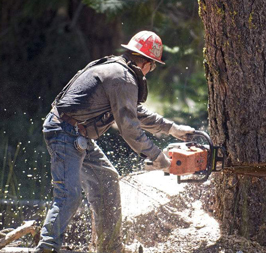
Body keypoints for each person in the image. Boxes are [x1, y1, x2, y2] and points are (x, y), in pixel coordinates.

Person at [34, 31, 195, 253]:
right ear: (147, 63)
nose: (152, 70)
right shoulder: (122, 78)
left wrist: (172, 129)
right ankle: (47, 248)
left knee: (107, 179)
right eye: (154, 66)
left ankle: (110, 248)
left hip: (78, 133)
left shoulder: (118, 71)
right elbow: (129, 128)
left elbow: (134, 112)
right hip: (64, 130)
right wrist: (158, 157)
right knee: (69, 196)